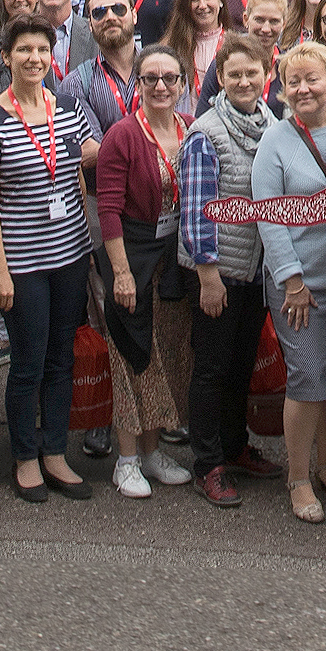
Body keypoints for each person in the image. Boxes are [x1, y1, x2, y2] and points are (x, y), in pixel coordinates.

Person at [0, 19, 99, 504]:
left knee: (61, 357)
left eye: (42, 49)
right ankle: (25, 457)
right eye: (23, 49)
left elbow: (86, 161)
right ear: (7, 56)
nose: (34, 59)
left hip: (68, 255)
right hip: (21, 263)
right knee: (27, 361)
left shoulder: (67, 108)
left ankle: (54, 452)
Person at [253, 41, 326, 521]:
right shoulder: (275, 142)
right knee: (307, 378)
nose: (302, 88)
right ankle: (298, 478)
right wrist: (291, 279)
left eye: (311, 78)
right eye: (292, 81)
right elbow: (268, 218)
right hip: (299, 285)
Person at [177, 33, 283, 507]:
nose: (244, 81)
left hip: (258, 271)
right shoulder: (205, 133)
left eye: (252, 72)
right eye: (234, 74)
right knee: (212, 370)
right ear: (219, 78)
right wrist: (208, 274)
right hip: (220, 272)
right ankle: (209, 463)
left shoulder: (271, 123)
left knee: (241, 367)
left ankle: (235, 445)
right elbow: (197, 211)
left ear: (267, 76)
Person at [97, 45, 199, 497]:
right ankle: (127, 459)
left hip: (173, 260)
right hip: (133, 255)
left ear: (182, 84)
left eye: (169, 78)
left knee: (168, 356)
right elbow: (109, 210)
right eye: (150, 78)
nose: (161, 86)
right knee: (131, 355)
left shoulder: (191, 129)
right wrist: (119, 272)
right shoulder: (122, 135)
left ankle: (154, 452)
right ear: (137, 84)